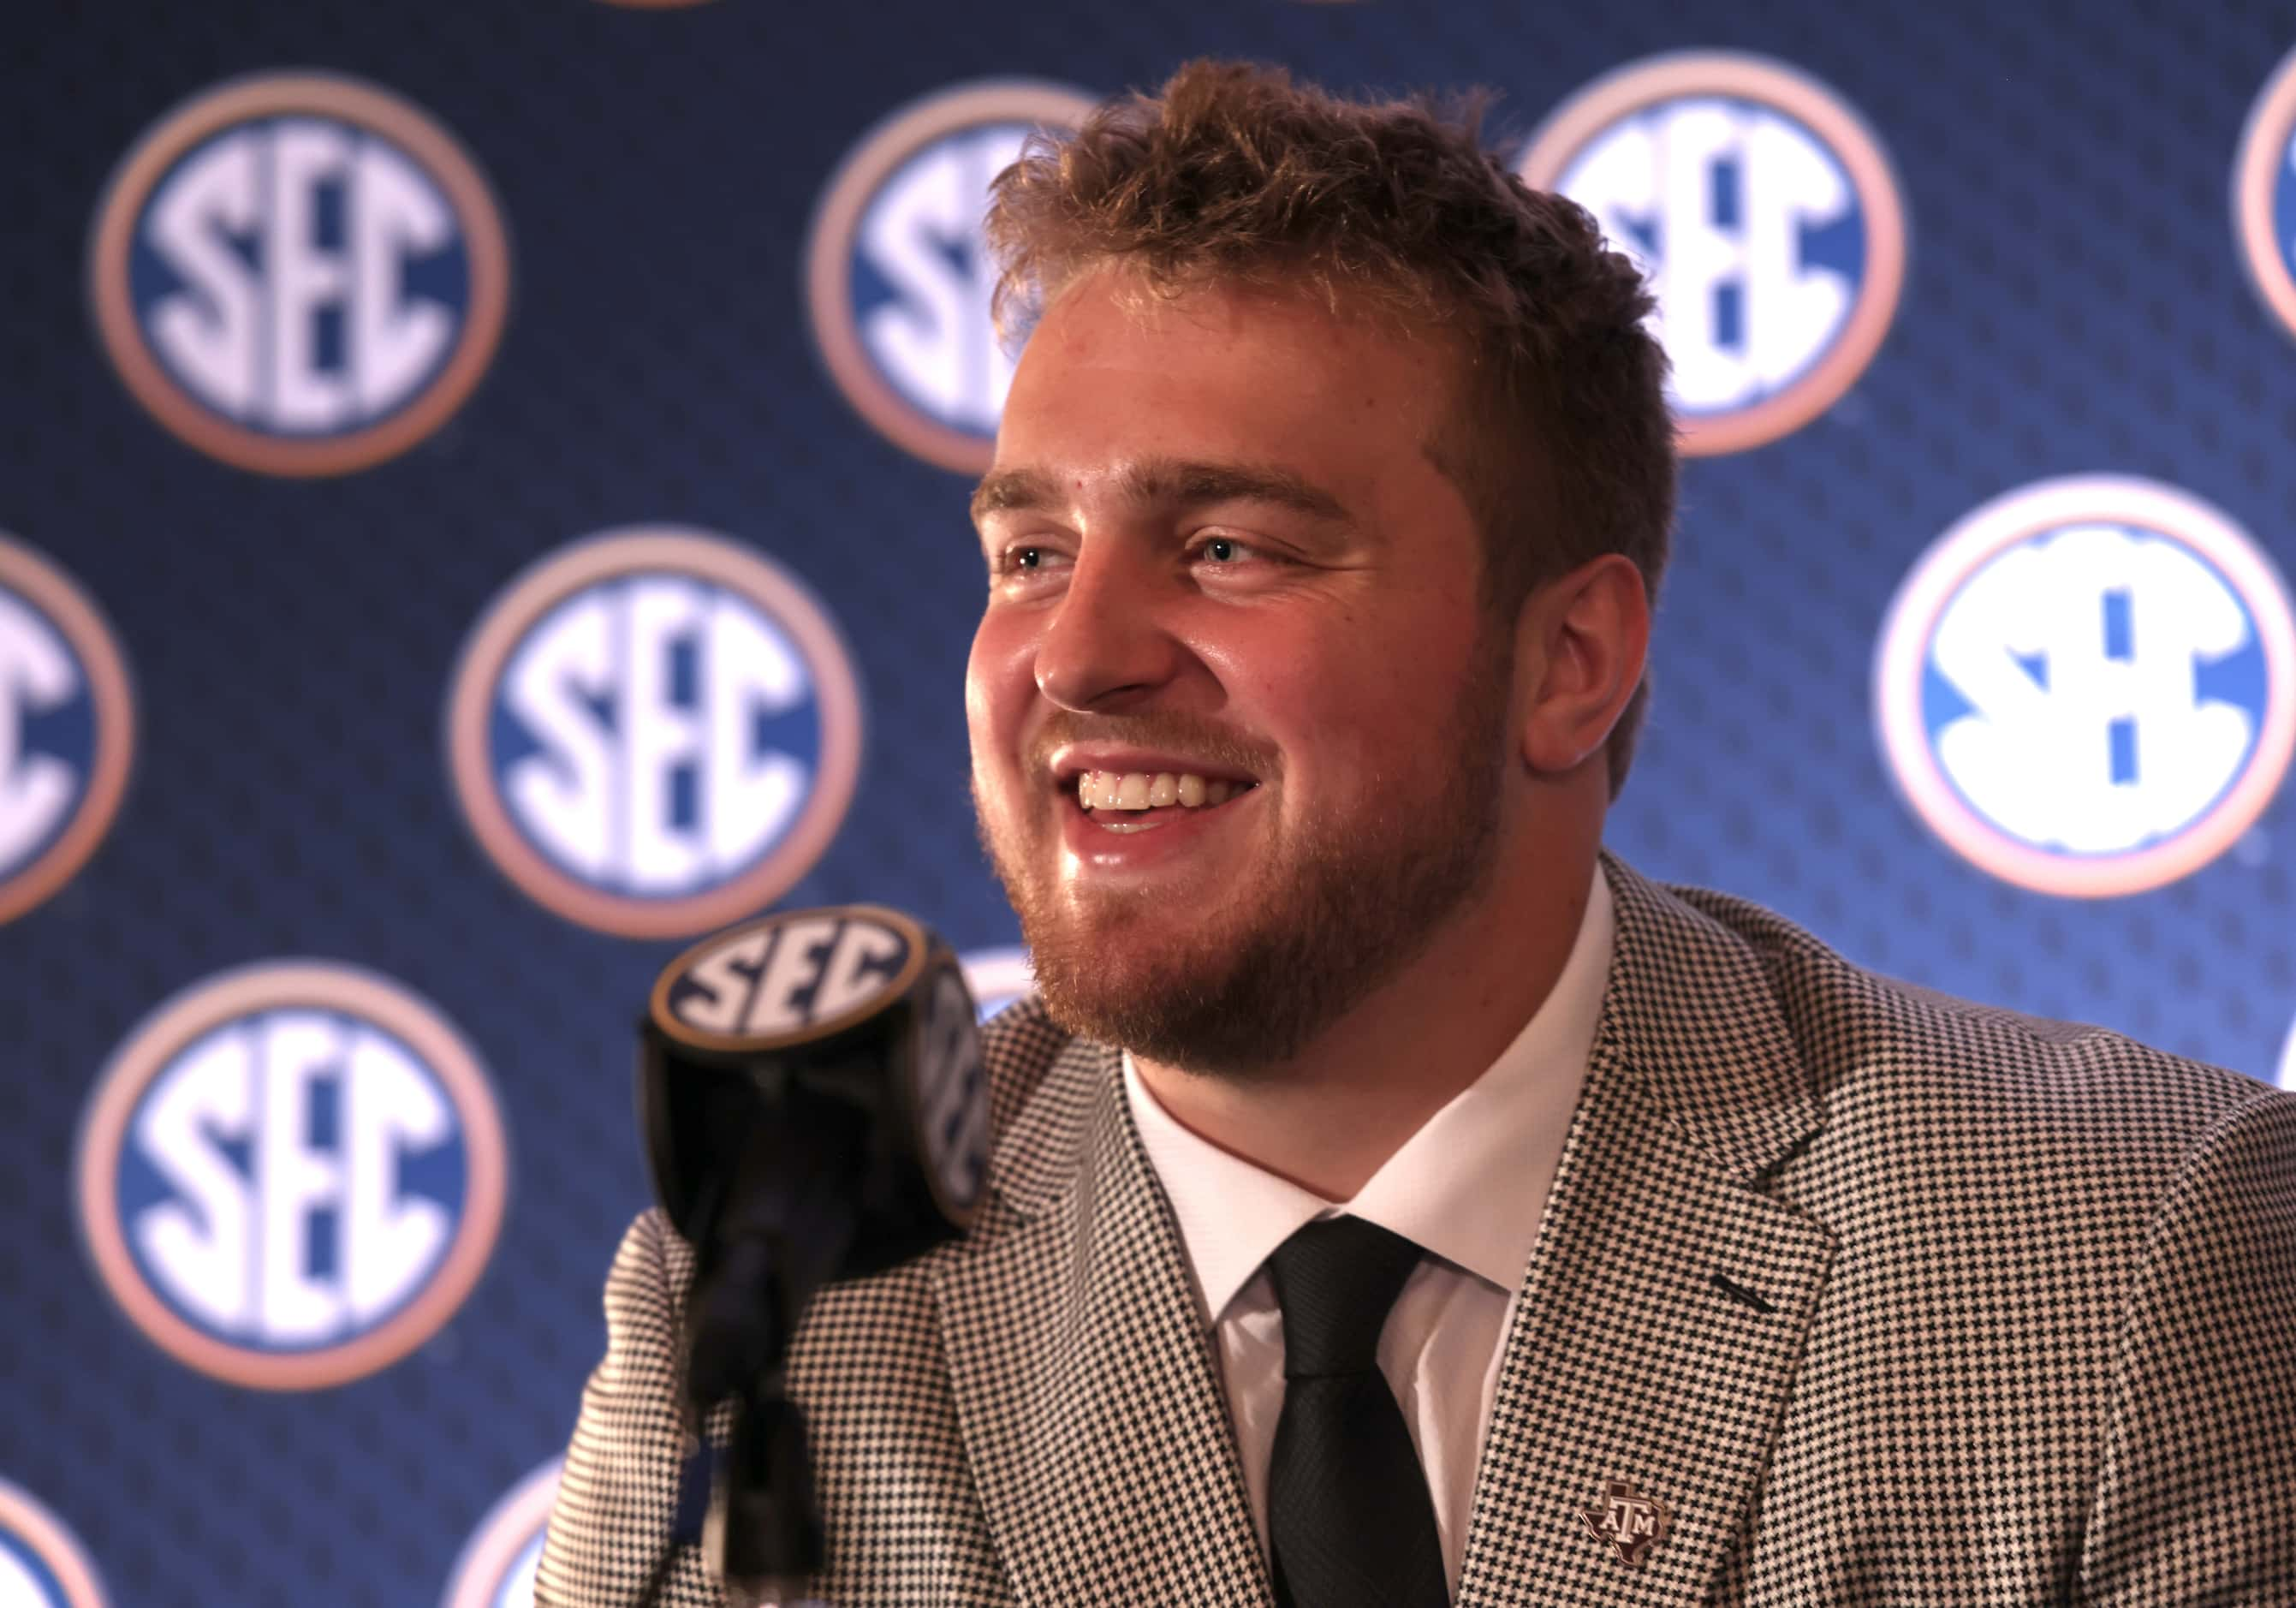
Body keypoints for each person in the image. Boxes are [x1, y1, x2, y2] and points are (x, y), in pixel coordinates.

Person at [536, 60, 2296, 1606]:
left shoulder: (2130, 1252)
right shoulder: (789, 1296)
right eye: (1030, 554)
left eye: (1229, 546)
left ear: (1569, 662)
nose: (1074, 655)